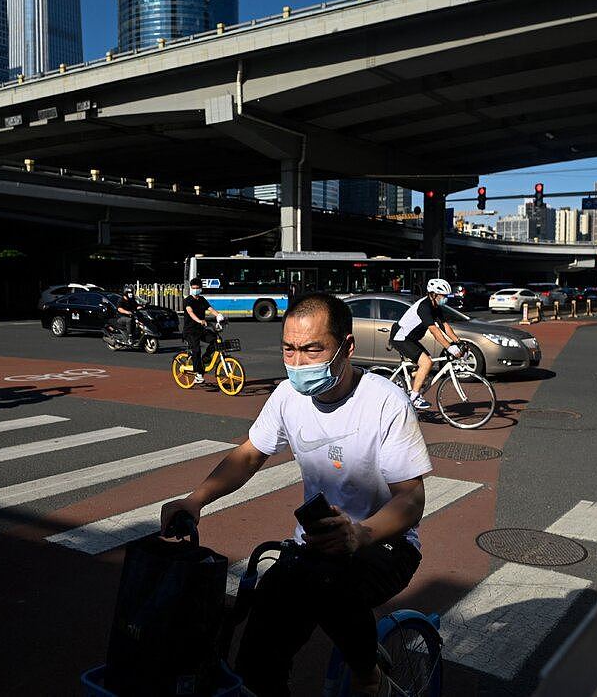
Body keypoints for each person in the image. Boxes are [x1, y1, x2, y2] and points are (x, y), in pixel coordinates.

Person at [160, 293, 430, 697]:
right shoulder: (288, 396)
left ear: (347, 347)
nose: (298, 362)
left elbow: (411, 498)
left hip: (385, 546)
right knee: (256, 653)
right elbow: (250, 454)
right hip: (314, 551)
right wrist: (194, 500)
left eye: (312, 349)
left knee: (324, 580)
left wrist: (360, 535)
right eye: (290, 349)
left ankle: (370, 678)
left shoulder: (384, 401)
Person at [391, 278, 461, 410]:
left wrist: (457, 341)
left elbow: (444, 326)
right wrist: (449, 347)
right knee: (426, 363)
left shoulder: (435, 306)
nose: (445, 299)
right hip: (401, 337)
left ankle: (403, 379)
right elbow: (434, 330)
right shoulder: (424, 307)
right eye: (443, 296)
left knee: (428, 364)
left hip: (410, 338)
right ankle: (415, 397)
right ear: (434, 295)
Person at [183, 277, 224, 384]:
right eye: (194, 288)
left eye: (197, 288)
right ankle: (198, 374)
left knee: (215, 340)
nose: (195, 290)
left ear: (201, 288)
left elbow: (210, 309)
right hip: (190, 331)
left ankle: (206, 358)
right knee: (196, 350)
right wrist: (199, 320)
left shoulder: (202, 299)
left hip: (201, 329)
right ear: (191, 288)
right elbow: (190, 312)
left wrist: (219, 315)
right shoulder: (188, 300)